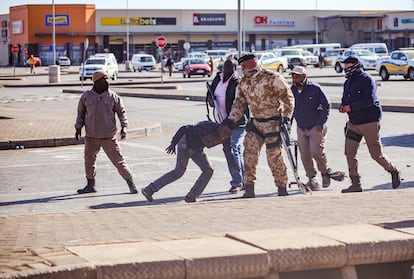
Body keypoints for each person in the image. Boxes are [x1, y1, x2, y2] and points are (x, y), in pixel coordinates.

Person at [219, 54, 295, 198]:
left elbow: (287, 97)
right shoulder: (243, 83)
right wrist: (230, 121)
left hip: (273, 123)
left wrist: (287, 117)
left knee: (274, 157)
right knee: (249, 155)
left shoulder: (272, 77)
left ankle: (282, 187)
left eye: (244, 67)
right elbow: (239, 104)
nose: (243, 70)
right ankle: (249, 188)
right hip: (256, 123)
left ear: (250, 66)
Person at [339, 56, 401, 193]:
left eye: (348, 66)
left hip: (369, 122)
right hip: (353, 122)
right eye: (345, 66)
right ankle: (356, 183)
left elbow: (369, 100)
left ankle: (393, 170)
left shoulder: (367, 80)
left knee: (376, 154)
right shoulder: (347, 82)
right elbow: (345, 99)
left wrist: (351, 107)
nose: (346, 69)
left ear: (355, 66)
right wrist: (343, 106)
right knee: (349, 152)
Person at [140, 120, 237, 203]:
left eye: (228, 134)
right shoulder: (207, 127)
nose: (225, 136)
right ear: (220, 127)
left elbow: (228, 152)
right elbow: (184, 128)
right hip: (186, 143)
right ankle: (149, 189)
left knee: (208, 170)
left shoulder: (226, 138)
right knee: (179, 172)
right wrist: (173, 143)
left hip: (197, 149)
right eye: (225, 132)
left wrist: (233, 165)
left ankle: (192, 196)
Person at [75, 70, 138, 194]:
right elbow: (81, 113)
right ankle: (90, 185)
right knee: (89, 160)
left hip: (108, 136)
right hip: (91, 136)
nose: (106, 82)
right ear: (96, 82)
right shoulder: (86, 96)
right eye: (103, 80)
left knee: (118, 161)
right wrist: (78, 127)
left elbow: (122, 112)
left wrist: (124, 127)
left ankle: (131, 184)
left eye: (106, 79)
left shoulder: (113, 96)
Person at [290, 66, 337, 190]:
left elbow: (326, 105)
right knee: (305, 154)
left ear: (304, 77)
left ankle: (325, 172)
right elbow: (289, 107)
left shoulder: (315, 89)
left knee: (316, 152)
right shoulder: (292, 90)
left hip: (316, 126)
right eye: (293, 76)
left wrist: (321, 122)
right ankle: (312, 179)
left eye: (297, 76)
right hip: (301, 126)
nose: (294, 79)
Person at [206, 59, 248, 193]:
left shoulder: (238, 82)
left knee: (234, 148)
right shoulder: (217, 78)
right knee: (228, 151)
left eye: (231, 66)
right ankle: (242, 180)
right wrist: (211, 101)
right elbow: (209, 94)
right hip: (221, 122)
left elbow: (241, 103)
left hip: (237, 122)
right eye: (226, 66)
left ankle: (238, 182)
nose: (228, 68)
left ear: (235, 68)